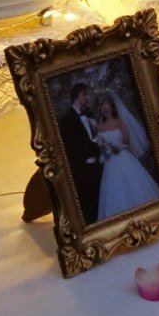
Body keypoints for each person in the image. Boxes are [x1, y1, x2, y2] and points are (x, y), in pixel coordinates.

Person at [94, 91, 159, 221]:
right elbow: (99, 146)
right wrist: (106, 149)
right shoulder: (99, 128)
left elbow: (126, 141)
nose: (105, 108)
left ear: (112, 107)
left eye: (107, 105)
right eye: (102, 105)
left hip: (124, 158)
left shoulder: (120, 122)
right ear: (100, 109)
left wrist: (118, 147)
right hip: (110, 164)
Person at [57, 82, 103, 226]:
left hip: (98, 164)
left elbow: (95, 135)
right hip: (83, 170)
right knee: (88, 202)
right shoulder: (67, 120)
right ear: (76, 97)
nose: (87, 97)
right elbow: (72, 147)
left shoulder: (89, 114)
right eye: (84, 95)